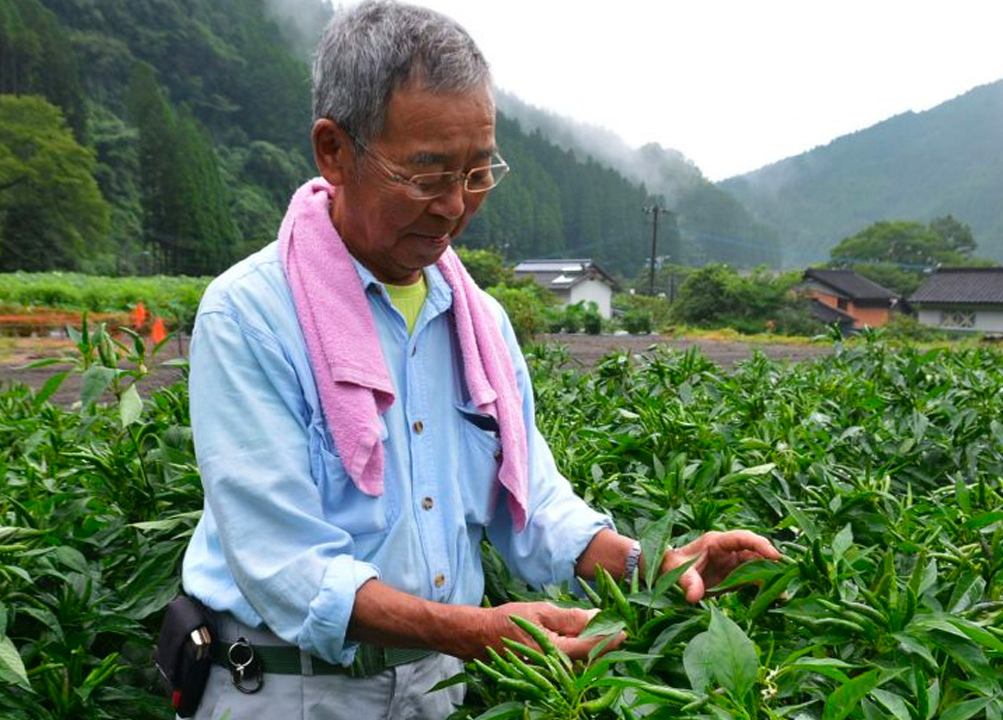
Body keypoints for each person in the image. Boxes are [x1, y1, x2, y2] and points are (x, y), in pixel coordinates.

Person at [180, 2, 780, 718]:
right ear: (334, 150)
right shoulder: (251, 315)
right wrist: (476, 631)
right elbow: (285, 566)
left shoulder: (479, 322)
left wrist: (645, 564)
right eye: (426, 176)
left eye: (478, 173)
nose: (455, 207)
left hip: (433, 689)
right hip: (287, 692)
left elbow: (529, 503)